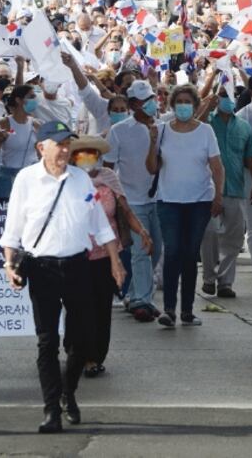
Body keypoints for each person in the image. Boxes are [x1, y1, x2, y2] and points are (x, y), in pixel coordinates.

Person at [1, 120, 126, 433]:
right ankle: (50, 408)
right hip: (41, 269)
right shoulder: (26, 180)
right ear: (41, 147)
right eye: (59, 143)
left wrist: (115, 261)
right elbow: (12, 231)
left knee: (83, 339)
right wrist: (9, 266)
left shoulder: (82, 180)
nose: (66, 149)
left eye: (68, 143)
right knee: (47, 341)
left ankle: (68, 392)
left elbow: (99, 223)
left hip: (77, 265)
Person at [68, 135, 149, 376]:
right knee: (79, 306)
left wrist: (142, 232)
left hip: (107, 253)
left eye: (91, 154)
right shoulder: (69, 180)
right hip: (77, 253)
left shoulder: (109, 178)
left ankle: (94, 356)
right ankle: (76, 349)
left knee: (101, 306)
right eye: (81, 154)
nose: (87, 159)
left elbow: (124, 208)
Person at [147, 84, 224, 327]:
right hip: (169, 201)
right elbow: (151, 168)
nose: (183, 106)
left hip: (199, 201)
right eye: (178, 101)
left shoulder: (206, 131)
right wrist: (151, 143)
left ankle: (187, 310)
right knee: (173, 252)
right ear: (172, 105)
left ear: (195, 104)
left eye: (187, 101)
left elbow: (216, 167)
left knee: (190, 254)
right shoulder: (161, 131)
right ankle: (169, 309)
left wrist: (218, 196)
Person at [105, 80, 163, 321]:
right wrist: (115, 199)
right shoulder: (118, 131)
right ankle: (142, 299)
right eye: (142, 101)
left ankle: (133, 292)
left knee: (157, 249)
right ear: (132, 105)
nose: (149, 104)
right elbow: (108, 167)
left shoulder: (162, 127)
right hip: (132, 200)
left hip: (159, 198)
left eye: (150, 98)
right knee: (141, 251)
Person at [201, 85, 252, 299]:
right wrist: (206, 106)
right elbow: (193, 126)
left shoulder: (243, 127)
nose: (227, 100)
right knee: (209, 234)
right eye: (223, 95)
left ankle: (225, 282)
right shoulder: (206, 123)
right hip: (208, 190)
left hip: (235, 189)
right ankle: (209, 278)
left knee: (234, 239)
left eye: (230, 96)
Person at [0, 84, 39, 198]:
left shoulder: (36, 124)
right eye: (31, 97)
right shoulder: (4, 123)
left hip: (32, 176)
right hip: (8, 179)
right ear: (18, 100)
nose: (34, 100)